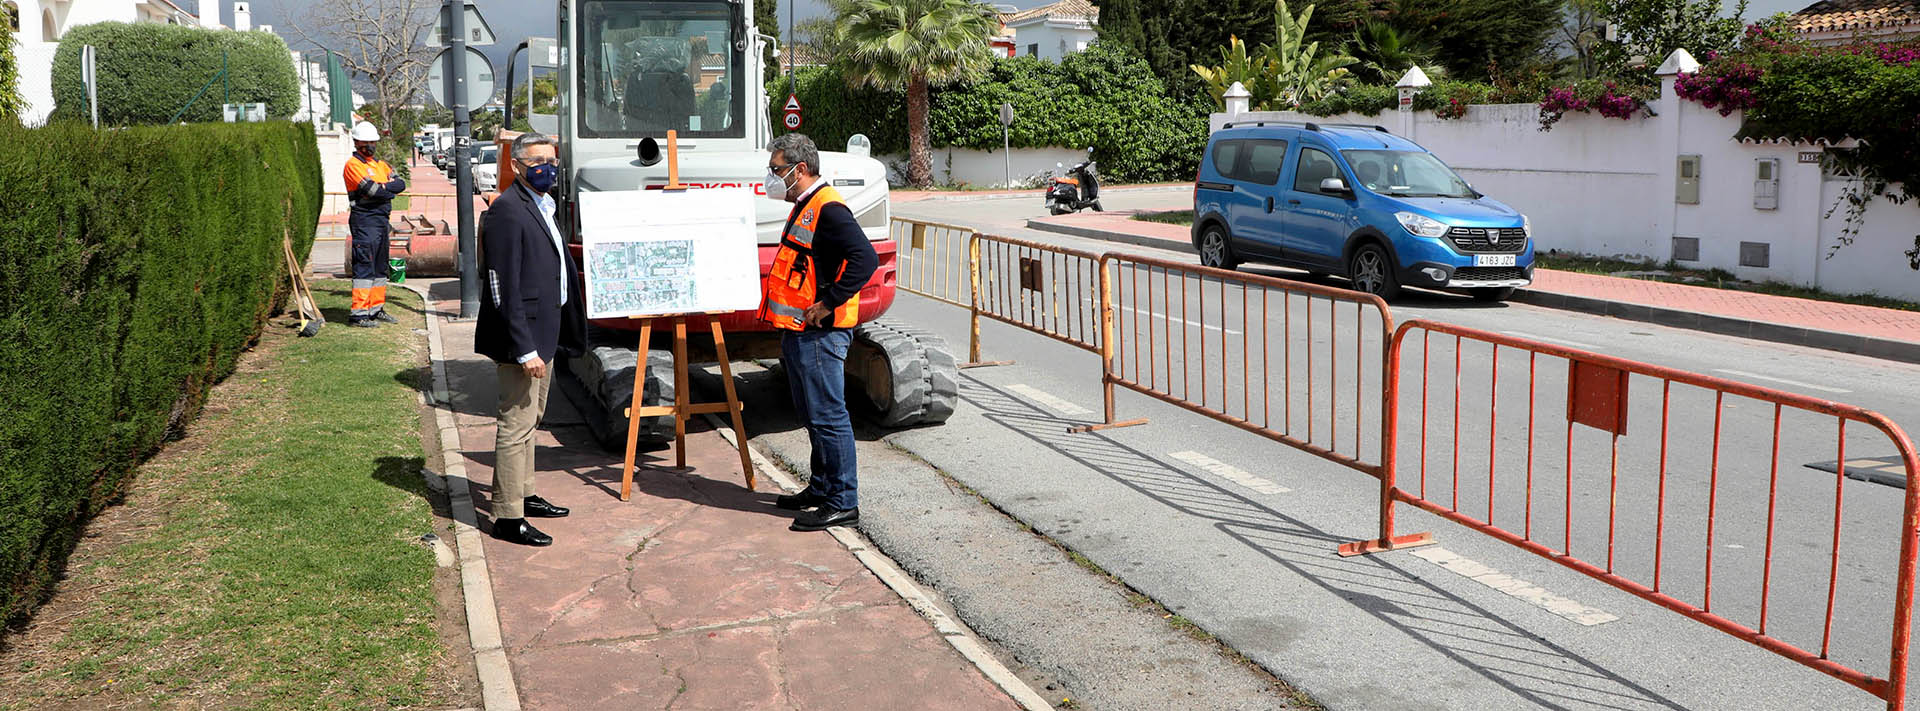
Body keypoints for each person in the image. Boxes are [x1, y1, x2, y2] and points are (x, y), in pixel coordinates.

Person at [758, 133, 877, 532]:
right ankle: (822, 487)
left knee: (828, 417)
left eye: (777, 171)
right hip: (800, 332)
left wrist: (827, 304)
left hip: (821, 335)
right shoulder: (805, 205)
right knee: (812, 415)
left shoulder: (828, 208)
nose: (772, 178)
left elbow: (865, 259)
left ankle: (843, 501)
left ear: (800, 170)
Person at [475, 132, 586, 547]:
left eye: (553, 161)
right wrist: (524, 349)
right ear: (516, 166)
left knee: (532, 420)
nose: (548, 168)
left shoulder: (542, 203)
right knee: (515, 422)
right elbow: (501, 284)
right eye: (538, 161)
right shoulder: (507, 210)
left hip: (545, 329)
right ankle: (506, 515)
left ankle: (524, 492)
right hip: (522, 338)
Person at [342, 121, 407, 327]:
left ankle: (375, 308)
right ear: (356, 142)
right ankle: (359, 314)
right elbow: (372, 191)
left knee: (380, 267)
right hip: (364, 220)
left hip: (380, 220)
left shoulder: (381, 165)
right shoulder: (353, 165)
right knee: (364, 266)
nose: (369, 145)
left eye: (373, 141)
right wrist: (386, 190)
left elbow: (401, 184)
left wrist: (383, 188)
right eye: (366, 141)